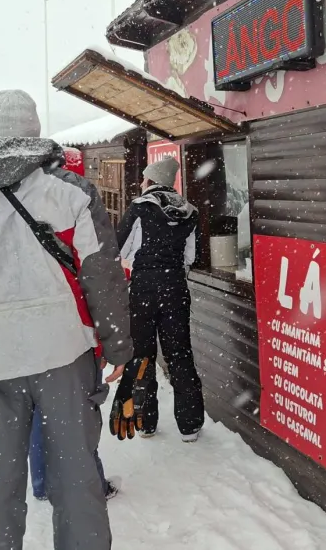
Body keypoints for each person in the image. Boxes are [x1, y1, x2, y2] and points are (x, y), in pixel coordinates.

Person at [0, 90, 134, 550]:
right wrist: (116, 344)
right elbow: (100, 272)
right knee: (76, 477)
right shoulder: (67, 191)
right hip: (61, 350)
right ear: (35, 129)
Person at [28, 146, 116, 502]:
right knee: (78, 413)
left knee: (38, 409)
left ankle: (44, 482)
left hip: (28, 326)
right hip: (71, 325)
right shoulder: (77, 199)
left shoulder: (4, 197)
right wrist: (110, 338)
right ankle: (87, 484)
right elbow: (99, 275)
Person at [115, 155, 205, 442]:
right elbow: (192, 257)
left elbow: (121, 248)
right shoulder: (190, 211)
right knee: (180, 354)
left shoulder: (140, 208)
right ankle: (190, 424)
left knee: (142, 355)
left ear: (151, 180)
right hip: (176, 288)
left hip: (143, 289)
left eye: (144, 178)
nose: (141, 182)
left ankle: (146, 421)